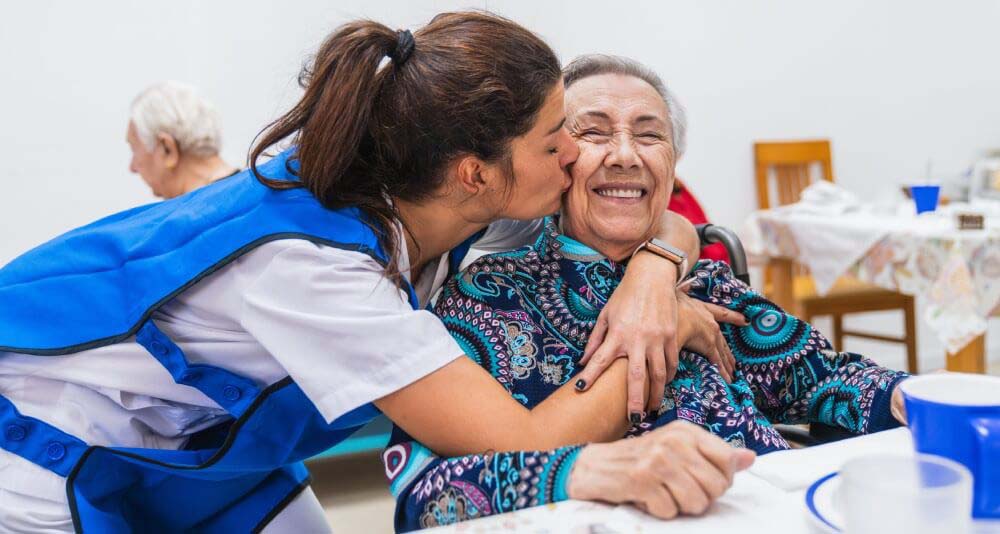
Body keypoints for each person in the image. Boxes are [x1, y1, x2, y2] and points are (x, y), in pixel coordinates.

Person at [0, 14, 735, 533]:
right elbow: (518, 443)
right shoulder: (313, 272)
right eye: (558, 142)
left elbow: (653, 213)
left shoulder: (440, 191)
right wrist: (660, 335)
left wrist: (653, 276)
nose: (580, 158)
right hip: (41, 427)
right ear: (477, 173)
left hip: (205, 444)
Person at [383, 54, 911, 531]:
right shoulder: (485, 298)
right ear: (555, 159)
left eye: (650, 135)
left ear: (673, 167)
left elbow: (826, 378)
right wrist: (586, 473)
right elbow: (427, 494)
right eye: (592, 132)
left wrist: (911, 398)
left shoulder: (704, 286)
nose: (624, 155)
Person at [126, 81, 240, 198]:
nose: (132, 168)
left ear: (167, 149)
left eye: (134, 150)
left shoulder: (198, 214)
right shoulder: (257, 191)